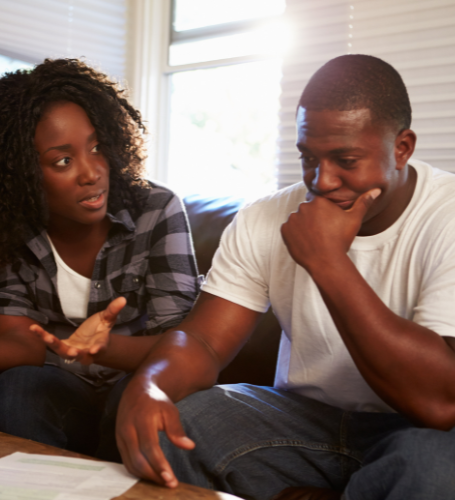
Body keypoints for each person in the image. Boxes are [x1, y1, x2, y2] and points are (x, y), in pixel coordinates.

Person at [112, 55, 455, 500]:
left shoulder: (447, 217)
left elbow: (439, 402)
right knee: (184, 423)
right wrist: (150, 384)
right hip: (306, 421)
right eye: (308, 159)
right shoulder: (262, 218)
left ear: (402, 147)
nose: (322, 180)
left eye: (345, 160)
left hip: (419, 432)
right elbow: (203, 341)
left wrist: (328, 262)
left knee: (433, 469)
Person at [0, 58, 201, 458]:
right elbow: (22, 345)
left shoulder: (156, 209)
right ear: (19, 173)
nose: (91, 173)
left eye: (97, 147)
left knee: (148, 401)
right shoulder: (0, 226)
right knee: (17, 388)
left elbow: (182, 345)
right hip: (56, 383)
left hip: (136, 377)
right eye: (63, 161)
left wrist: (102, 348)